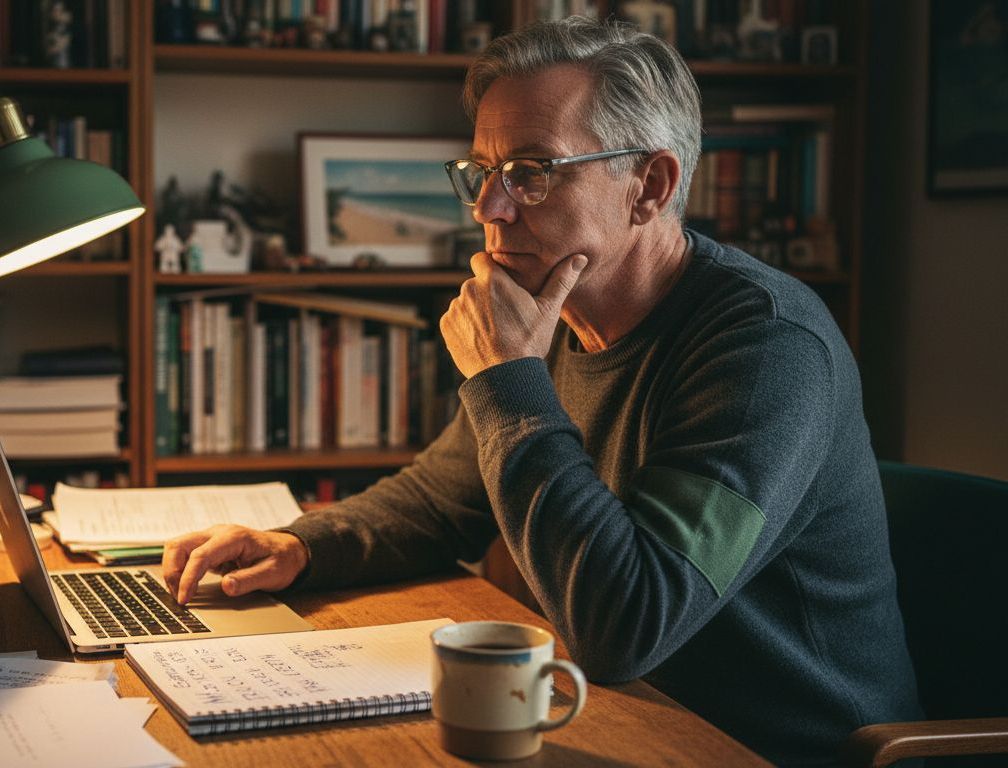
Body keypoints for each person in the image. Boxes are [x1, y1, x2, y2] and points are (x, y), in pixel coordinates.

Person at [162, 16, 921, 764]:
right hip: (625, 722)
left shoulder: (767, 347)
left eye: (532, 172)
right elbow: (444, 498)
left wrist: (506, 381)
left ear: (650, 185)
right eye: (481, 174)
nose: (489, 209)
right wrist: (300, 545)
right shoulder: (551, 312)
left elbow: (625, 625)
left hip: (774, 748)